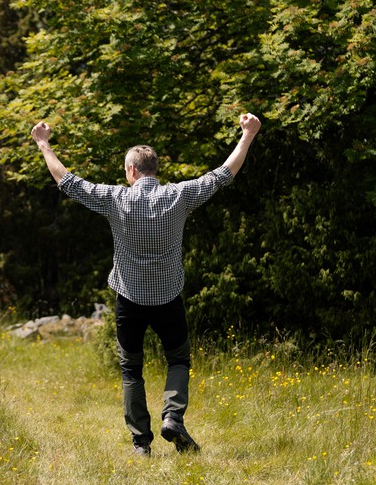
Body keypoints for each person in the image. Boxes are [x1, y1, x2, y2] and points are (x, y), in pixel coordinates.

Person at [30, 112, 261, 455]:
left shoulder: (115, 199)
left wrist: (43, 143)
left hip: (129, 302)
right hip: (169, 298)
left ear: (132, 171)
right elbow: (224, 174)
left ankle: (141, 443)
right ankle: (173, 418)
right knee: (178, 359)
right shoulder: (180, 196)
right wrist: (248, 135)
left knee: (131, 369)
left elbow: (67, 181)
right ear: (154, 169)